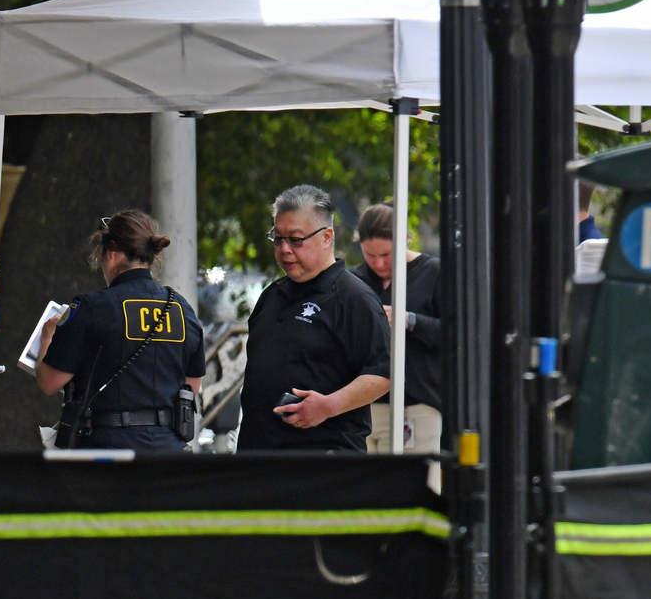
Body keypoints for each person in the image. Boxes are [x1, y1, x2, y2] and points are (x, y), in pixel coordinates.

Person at [238, 185, 392, 452]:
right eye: (278, 238)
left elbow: (383, 373)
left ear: (326, 237)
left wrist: (328, 406)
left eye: (296, 239)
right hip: (258, 458)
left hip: (322, 462)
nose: (284, 249)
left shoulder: (354, 298)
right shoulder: (271, 296)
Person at [35, 211, 206, 451]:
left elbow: (49, 382)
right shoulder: (181, 308)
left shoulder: (92, 307)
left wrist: (47, 339)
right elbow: (192, 386)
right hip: (169, 453)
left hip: (108, 452)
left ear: (112, 254)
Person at [349, 203, 444, 453]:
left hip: (417, 405)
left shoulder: (432, 272)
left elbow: (454, 334)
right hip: (363, 406)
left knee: (414, 486)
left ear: (404, 241)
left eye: (387, 255)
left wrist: (410, 321)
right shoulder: (353, 281)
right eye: (371, 256)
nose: (379, 264)